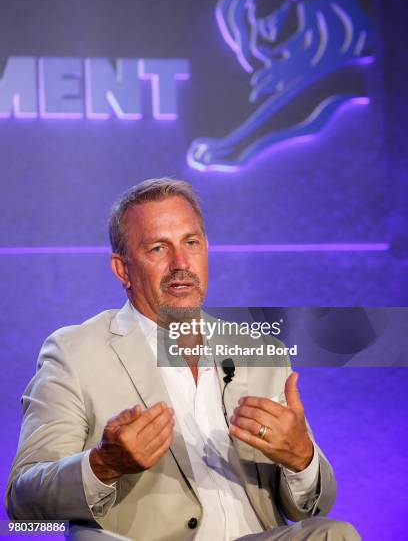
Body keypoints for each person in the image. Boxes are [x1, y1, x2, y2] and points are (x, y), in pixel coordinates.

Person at [6, 178, 360, 540]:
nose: (180, 263)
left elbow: (314, 504)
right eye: (158, 248)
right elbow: (22, 502)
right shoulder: (74, 352)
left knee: (335, 534)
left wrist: (300, 458)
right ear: (122, 270)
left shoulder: (258, 352)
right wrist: (103, 465)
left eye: (190, 243)